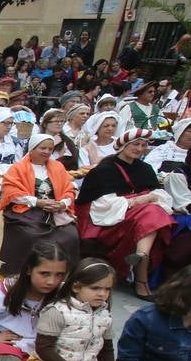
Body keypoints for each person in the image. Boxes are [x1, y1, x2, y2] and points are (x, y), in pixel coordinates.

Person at [75, 128, 180, 300]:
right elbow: (97, 205)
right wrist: (137, 201)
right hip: (110, 221)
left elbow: (158, 194)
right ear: (123, 146)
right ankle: (141, 271)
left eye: (143, 145)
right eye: (135, 144)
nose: (139, 148)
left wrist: (149, 197)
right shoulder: (104, 169)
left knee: (152, 212)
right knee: (152, 211)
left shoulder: (145, 169)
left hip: (139, 219)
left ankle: (140, 256)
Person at [0, 242, 68, 354]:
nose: (51, 281)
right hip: (8, 352)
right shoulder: (5, 292)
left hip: (45, 352)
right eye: (44, 273)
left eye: (59, 275)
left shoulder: (65, 295)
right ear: (29, 270)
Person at [0, 132, 80, 275]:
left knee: (71, 235)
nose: (47, 152)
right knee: (29, 234)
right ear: (32, 149)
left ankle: (63, 275)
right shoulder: (18, 168)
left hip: (54, 211)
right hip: (26, 211)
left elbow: (69, 189)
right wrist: (37, 202)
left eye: (50, 149)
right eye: (43, 148)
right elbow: (11, 192)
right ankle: (22, 273)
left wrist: (62, 203)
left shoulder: (58, 167)